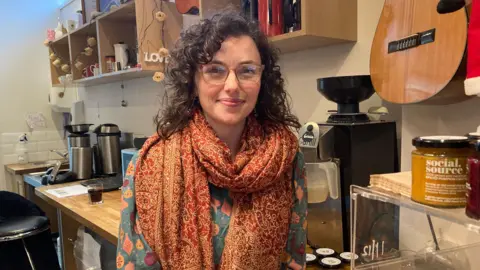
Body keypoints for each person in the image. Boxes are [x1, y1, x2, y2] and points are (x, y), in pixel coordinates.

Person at [116, 9, 307, 270]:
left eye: (247, 71)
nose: (232, 85)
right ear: (192, 81)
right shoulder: (149, 166)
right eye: (215, 70)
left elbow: (293, 260)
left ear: (262, 79)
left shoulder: (285, 159)